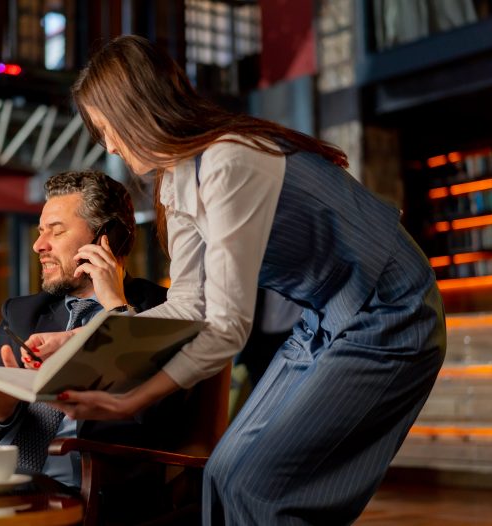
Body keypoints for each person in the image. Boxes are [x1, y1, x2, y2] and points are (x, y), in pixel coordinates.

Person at [37, 35, 447, 525]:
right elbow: (189, 307)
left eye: (108, 129)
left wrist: (134, 399)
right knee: (223, 474)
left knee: (259, 488)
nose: (109, 146)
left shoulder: (229, 160)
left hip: (391, 308)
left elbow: (228, 326)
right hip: (323, 318)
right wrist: (80, 339)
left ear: (137, 109)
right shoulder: (175, 179)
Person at [0, 169, 173, 489]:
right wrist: (0, 410)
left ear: (107, 236)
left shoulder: (165, 309)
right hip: (0, 484)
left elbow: (156, 415)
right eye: (40, 231)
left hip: (91, 493)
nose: (39, 245)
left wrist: (117, 312)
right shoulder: (22, 313)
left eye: (56, 231)